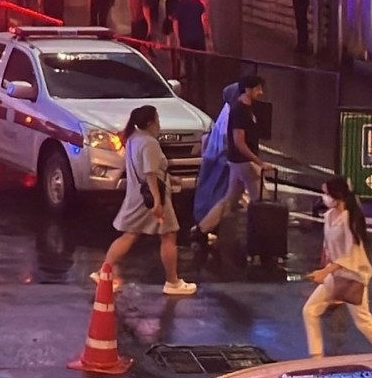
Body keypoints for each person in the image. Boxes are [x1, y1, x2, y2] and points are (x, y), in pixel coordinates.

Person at [97, 105, 196, 296]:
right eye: (157, 118)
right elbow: (150, 173)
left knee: (130, 234)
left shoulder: (133, 139)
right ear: (150, 122)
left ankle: (104, 270)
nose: (159, 123)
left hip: (137, 195)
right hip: (151, 198)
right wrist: (158, 203)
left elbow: (147, 170)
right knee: (169, 235)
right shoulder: (150, 143)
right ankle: (172, 282)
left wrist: (169, 178)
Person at [302, 176, 372, 358]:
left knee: (363, 321)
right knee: (310, 310)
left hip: (353, 276)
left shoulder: (349, 219)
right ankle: (316, 357)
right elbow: (328, 247)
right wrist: (323, 270)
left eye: (326, 193)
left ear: (337, 195)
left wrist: (325, 271)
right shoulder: (329, 216)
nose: (324, 197)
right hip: (335, 275)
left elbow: (351, 254)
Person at [194, 75, 274, 240]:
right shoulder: (238, 111)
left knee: (230, 199)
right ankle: (264, 240)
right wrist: (259, 162)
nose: (261, 92)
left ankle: (201, 230)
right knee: (262, 200)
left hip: (239, 162)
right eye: (258, 88)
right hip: (243, 163)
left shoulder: (248, 108)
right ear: (247, 90)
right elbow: (239, 142)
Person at [191, 80, 242, 244]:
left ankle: (205, 226)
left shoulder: (225, 112)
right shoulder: (232, 114)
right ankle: (204, 227)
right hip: (223, 162)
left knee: (215, 194)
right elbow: (229, 139)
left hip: (215, 159)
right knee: (224, 196)